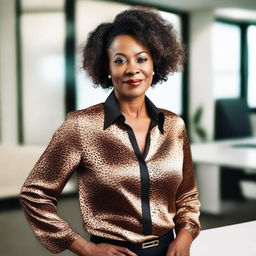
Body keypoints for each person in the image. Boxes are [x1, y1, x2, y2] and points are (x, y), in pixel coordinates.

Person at [19, 7, 200, 256]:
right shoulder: (81, 126)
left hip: (169, 250)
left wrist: (186, 236)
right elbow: (34, 194)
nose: (131, 69)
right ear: (106, 67)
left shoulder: (173, 125)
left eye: (141, 58)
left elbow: (187, 194)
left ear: (155, 63)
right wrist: (84, 247)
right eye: (119, 60)